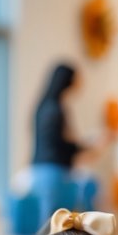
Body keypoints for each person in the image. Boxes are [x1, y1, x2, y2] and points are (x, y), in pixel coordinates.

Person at [30, 62, 85, 223]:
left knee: (49, 224)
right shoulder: (56, 109)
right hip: (54, 172)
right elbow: (62, 144)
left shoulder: (44, 106)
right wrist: (84, 146)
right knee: (55, 225)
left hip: (41, 170)